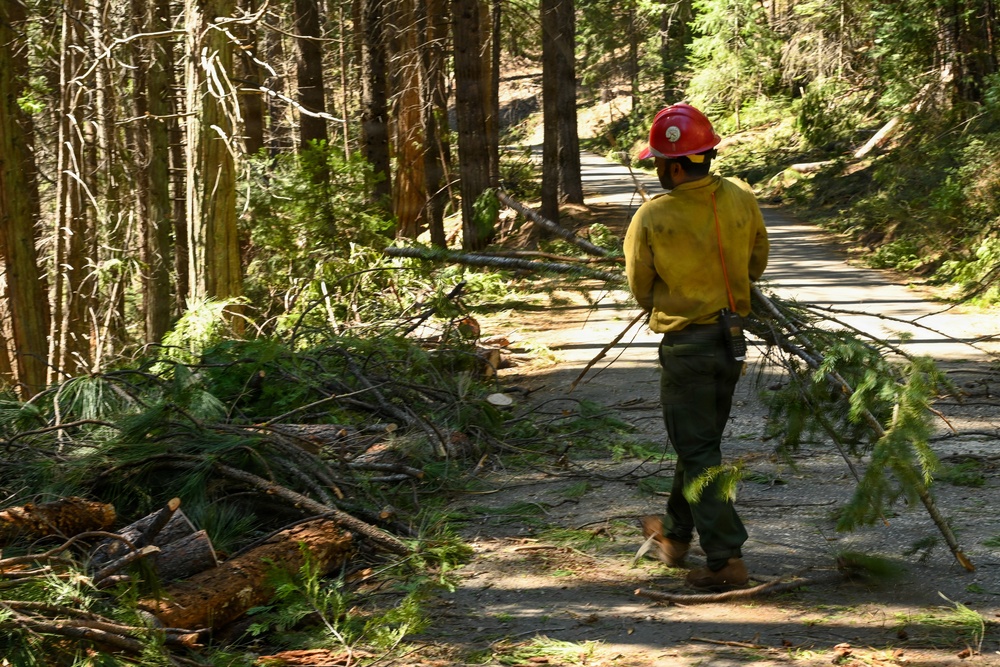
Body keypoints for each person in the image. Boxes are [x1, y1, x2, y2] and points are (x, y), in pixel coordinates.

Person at [623, 103, 769, 590]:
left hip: (687, 347)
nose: (658, 171)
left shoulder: (653, 216)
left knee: (699, 453)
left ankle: (726, 560)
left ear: (677, 165)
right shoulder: (741, 197)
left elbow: (639, 285)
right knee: (699, 445)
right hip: (731, 343)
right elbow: (758, 262)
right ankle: (676, 535)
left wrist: (671, 298)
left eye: (659, 164)